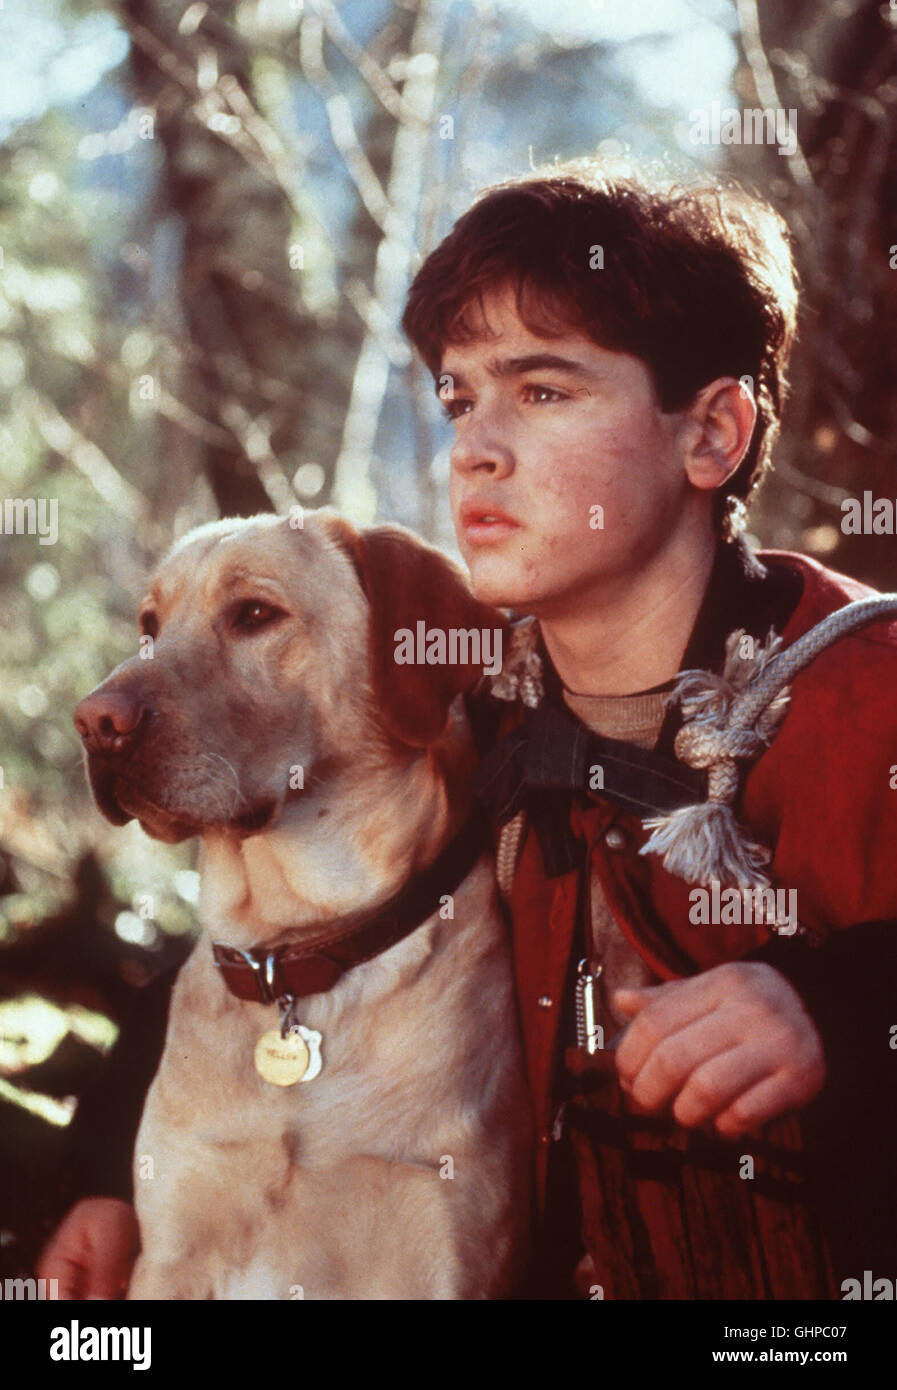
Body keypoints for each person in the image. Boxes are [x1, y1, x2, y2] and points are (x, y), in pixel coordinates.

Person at [40, 158, 896, 1299]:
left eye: (543, 392)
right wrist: (106, 1167)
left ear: (712, 435)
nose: (477, 448)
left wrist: (838, 1008)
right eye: (459, 397)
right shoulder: (468, 704)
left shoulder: (863, 697)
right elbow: (292, 944)